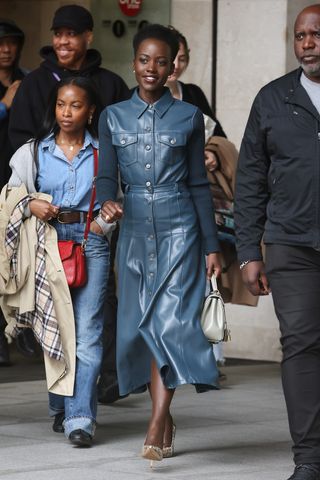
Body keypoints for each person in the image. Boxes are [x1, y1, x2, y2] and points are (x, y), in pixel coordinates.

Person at [97, 24, 221, 464]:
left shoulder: (189, 118)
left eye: (161, 61)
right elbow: (107, 177)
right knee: (141, 329)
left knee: (169, 324)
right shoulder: (112, 116)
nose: (152, 68)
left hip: (180, 229)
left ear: (173, 67)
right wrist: (108, 202)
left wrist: (211, 246)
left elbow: (198, 184)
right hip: (132, 232)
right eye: (144, 60)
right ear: (133, 63)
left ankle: (156, 422)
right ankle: (164, 416)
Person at [8, 3, 130, 404]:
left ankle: (87, 404)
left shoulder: (111, 84)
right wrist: (31, 202)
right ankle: (63, 405)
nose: (63, 41)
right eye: (58, 33)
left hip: (92, 227)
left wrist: (106, 214)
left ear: (88, 37)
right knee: (54, 320)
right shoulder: (34, 85)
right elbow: (20, 148)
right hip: (47, 225)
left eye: (72, 34)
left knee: (93, 318)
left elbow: (121, 152)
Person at [234, 4, 320, 479]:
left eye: (316, 34)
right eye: (300, 35)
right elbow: (250, 180)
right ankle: (309, 459)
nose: (307, 43)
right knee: (302, 344)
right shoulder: (273, 98)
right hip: (291, 243)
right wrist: (249, 251)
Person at [8, 76, 110, 447]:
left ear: (91, 110)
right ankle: (61, 407)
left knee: (88, 333)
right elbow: (8, 196)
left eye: (76, 105)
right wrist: (30, 203)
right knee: (55, 331)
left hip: (90, 244)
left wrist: (101, 224)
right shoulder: (33, 152)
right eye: (61, 105)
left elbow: (119, 196)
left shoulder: (104, 152)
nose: (67, 113)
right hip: (45, 244)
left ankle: (80, 417)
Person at [0, 19, 27, 366]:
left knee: (16, 260)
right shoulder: (13, 88)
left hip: (16, 183)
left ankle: (18, 328)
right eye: (0, 43)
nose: (6, 50)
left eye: (11, 43)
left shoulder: (28, 79)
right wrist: (5, 104)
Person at [165, 26, 226, 138]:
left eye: (182, 59)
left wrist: (212, 152)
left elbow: (219, 136)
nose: (176, 65)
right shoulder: (138, 98)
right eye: (170, 58)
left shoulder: (194, 93)